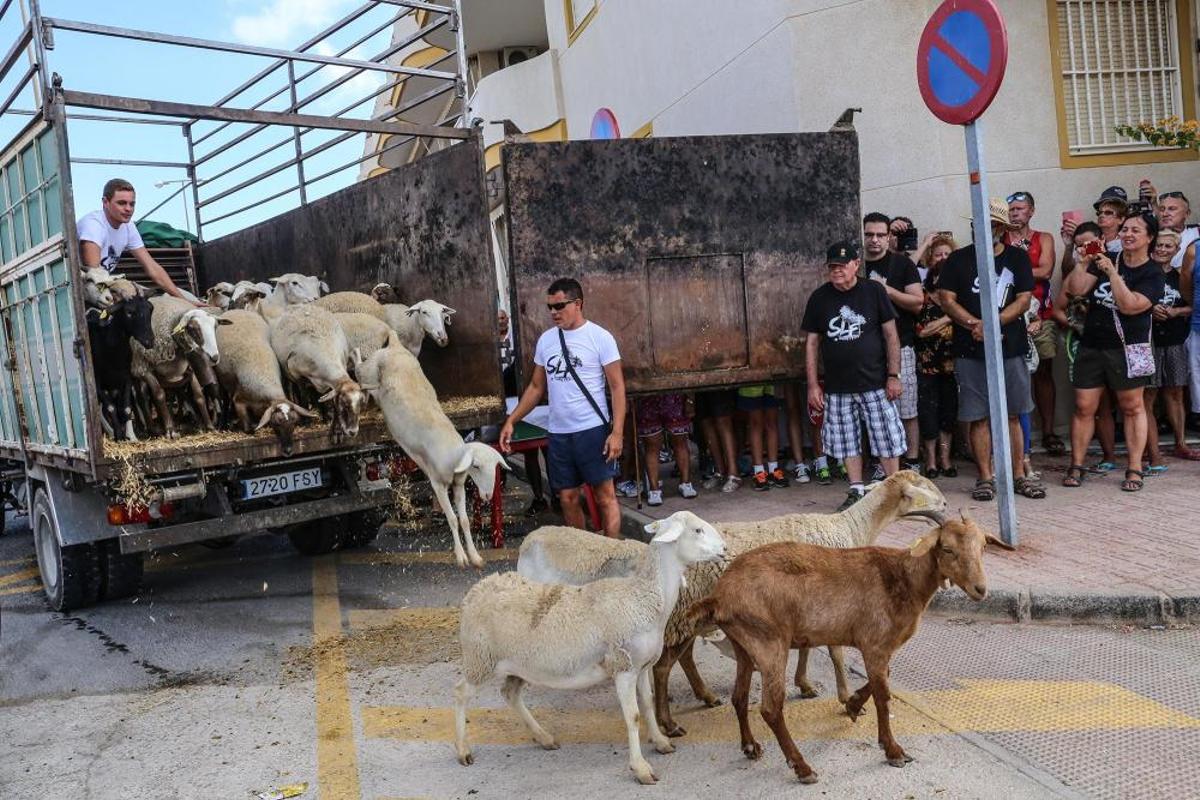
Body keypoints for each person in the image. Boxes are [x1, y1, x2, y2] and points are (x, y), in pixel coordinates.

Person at [500, 278, 626, 537]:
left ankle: (613, 552)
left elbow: (617, 387)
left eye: (559, 306)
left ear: (577, 303)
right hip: (559, 433)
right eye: (550, 307)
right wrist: (512, 420)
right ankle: (581, 552)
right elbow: (536, 388)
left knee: (605, 496)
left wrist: (617, 432)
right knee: (567, 497)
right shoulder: (547, 341)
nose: (554, 312)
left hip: (592, 429)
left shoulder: (600, 337)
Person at [938, 197, 1044, 501]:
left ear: (999, 228)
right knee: (978, 415)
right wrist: (974, 323)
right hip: (969, 347)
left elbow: (1023, 299)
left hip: (1009, 345)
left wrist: (993, 323)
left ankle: (1019, 474)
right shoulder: (958, 260)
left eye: (985, 225)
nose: (977, 230)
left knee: (1013, 413)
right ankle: (985, 477)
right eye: (975, 224)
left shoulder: (1017, 258)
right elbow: (947, 298)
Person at [1061, 213, 1165, 492]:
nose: (1128, 234)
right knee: (1084, 406)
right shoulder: (1107, 258)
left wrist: (1112, 273)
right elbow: (1075, 290)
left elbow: (1130, 305)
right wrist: (1084, 261)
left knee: (1133, 407)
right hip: (1092, 344)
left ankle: (1134, 467)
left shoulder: (1152, 272)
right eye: (1125, 229)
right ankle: (1077, 464)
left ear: (1150, 237)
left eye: (1135, 230)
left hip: (1130, 348)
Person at [802, 240, 906, 511]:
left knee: (886, 436)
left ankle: (894, 490)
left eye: (842, 265)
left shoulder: (873, 291)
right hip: (838, 386)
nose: (837, 270)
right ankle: (856, 490)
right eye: (832, 266)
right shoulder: (819, 297)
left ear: (856, 265)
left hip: (875, 381)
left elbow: (891, 334)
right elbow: (812, 343)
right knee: (847, 440)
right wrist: (813, 385)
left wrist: (893, 375)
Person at [1004, 191, 1064, 456]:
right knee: (1014, 375)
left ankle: (1049, 431)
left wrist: (1014, 269)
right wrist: (1027, 269)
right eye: (1012, 210)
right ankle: (1018, 439)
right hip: (1009, 314)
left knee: (1044, 373)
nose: (1015, 213)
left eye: (1020, 209)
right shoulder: (1001, 239)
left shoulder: (1044, 238)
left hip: (1043, 313)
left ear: (1031, 211)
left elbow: (1047, 271)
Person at [863, 212, 924, 471]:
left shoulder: (902, 265)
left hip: (902, 346)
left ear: (889, 237)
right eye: (869, 235)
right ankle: (881, 464)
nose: (874, 240)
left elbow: (918, 303)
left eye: (880, 235)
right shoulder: (854, 265)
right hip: (865, 350)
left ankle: (911, 462)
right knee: (874, 412)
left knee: (906, 409)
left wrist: (886, 290)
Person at [77, 178, 198, 303]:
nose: (128, 209)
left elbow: (152, 267)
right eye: (122, 203)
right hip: (84, 289)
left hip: (103, 285)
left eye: (132, 204)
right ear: (105, 202)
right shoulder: (93, 225)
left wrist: (185, 301)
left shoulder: (128, 227)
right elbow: (94, 273)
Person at [1144, 230, 1199, 466]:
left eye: (1168, 246)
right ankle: (1150, 446)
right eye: (1158, 245)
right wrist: (1149, 308)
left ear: (1176, 251)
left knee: (1175, 393)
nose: (1162, 249)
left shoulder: (1179, 277)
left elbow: (1193, 305)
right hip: (1149, 340)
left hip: (1175, 338)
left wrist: (1176, 311)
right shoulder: (1143, 275)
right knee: (1149, 394)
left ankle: (1181, 443)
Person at [914, 233, 959, 478]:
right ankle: (930, 461)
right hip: (927, 366)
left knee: (948, 415)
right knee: (928, 414)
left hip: (952, 366)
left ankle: (946, 459)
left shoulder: (958, 297)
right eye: (938, 255)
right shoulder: (923, 297)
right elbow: (922, 332)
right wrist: (950, 316)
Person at [635, 393, 696, 504]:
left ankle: (686, 483)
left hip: (674, 394)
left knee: (680, 440)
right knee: (652, 445)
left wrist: (690, 399)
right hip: (646, 396)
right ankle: (654, 489)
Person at [737, 384, 787, 491]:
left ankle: (774, 470)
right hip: (751, 379)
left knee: (772, 422)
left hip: (773, 376)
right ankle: (758, 472)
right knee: (755, 423)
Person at [694, 389, 740, 492]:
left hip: (718, 380)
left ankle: (734, 475)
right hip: (699, 384)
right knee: (706, 421)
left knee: (722, 420)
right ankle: (720, 472)